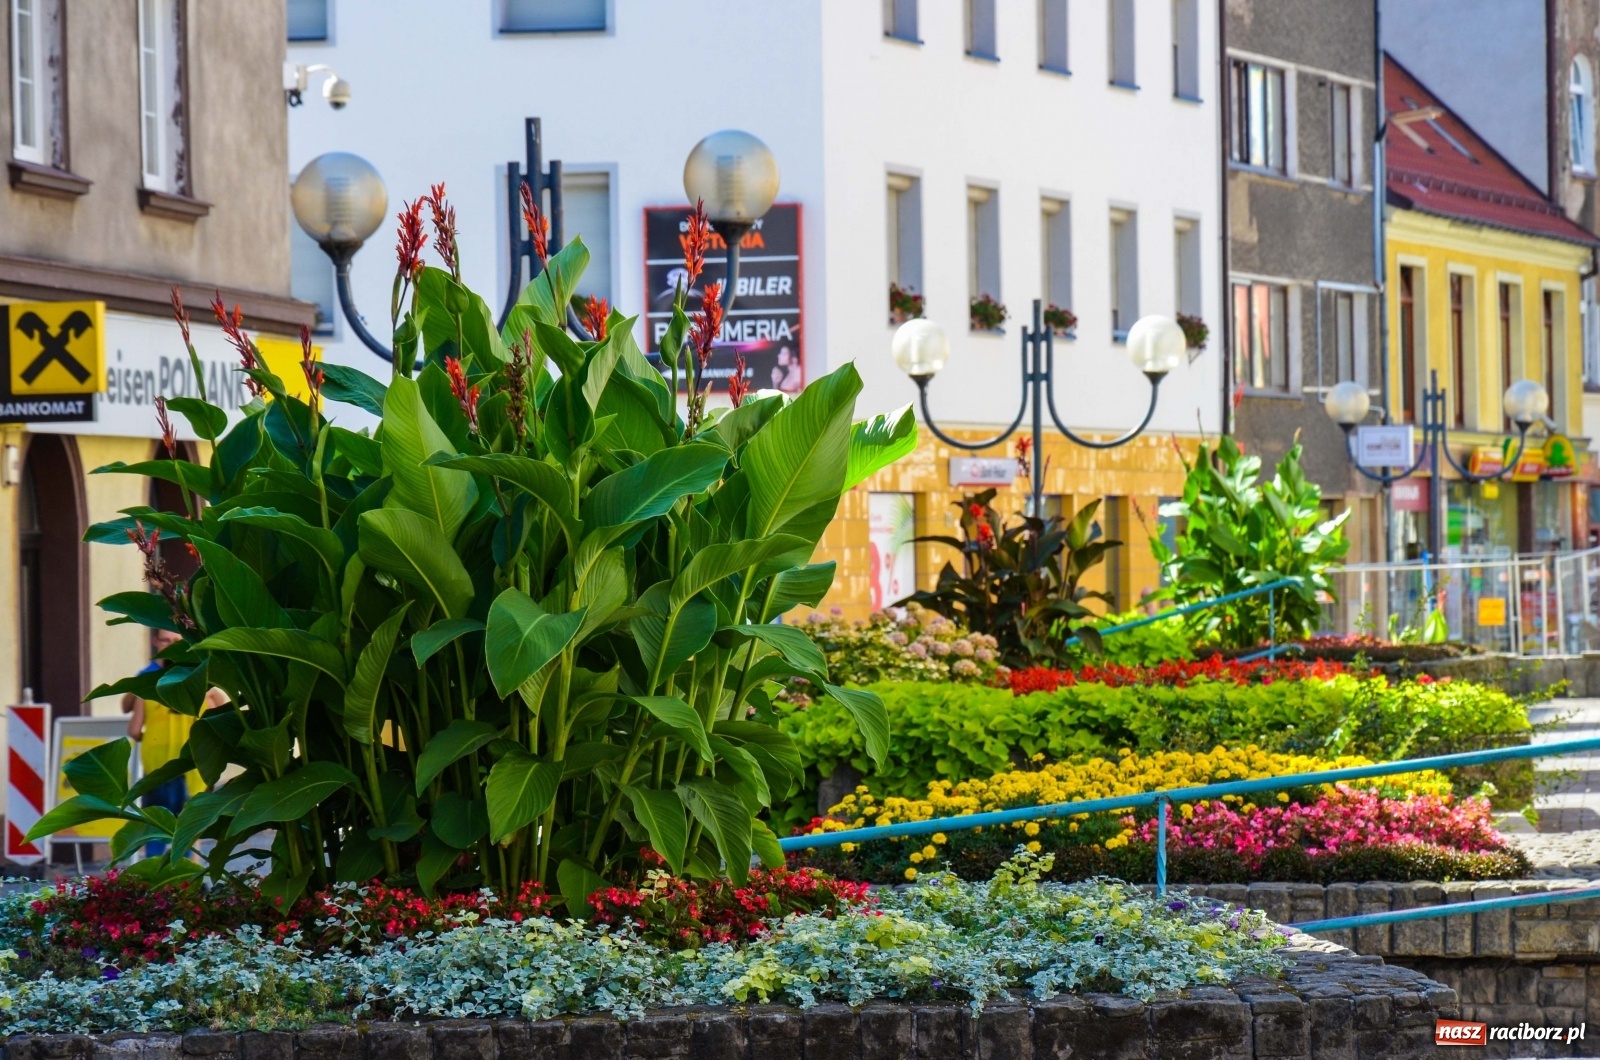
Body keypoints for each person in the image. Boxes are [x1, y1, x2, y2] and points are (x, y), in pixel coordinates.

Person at [121, 627, 226, 855]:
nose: (171, 645)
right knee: (188, 828)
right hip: (193, 764)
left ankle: (155, 871)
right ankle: (185, 872)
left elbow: (134, 728)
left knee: (156, 825)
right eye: (166, 640)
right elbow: (225, 714)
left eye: (175, 640)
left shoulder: (148, 684)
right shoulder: (202, 684)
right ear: (155, 641)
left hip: (159, 766)